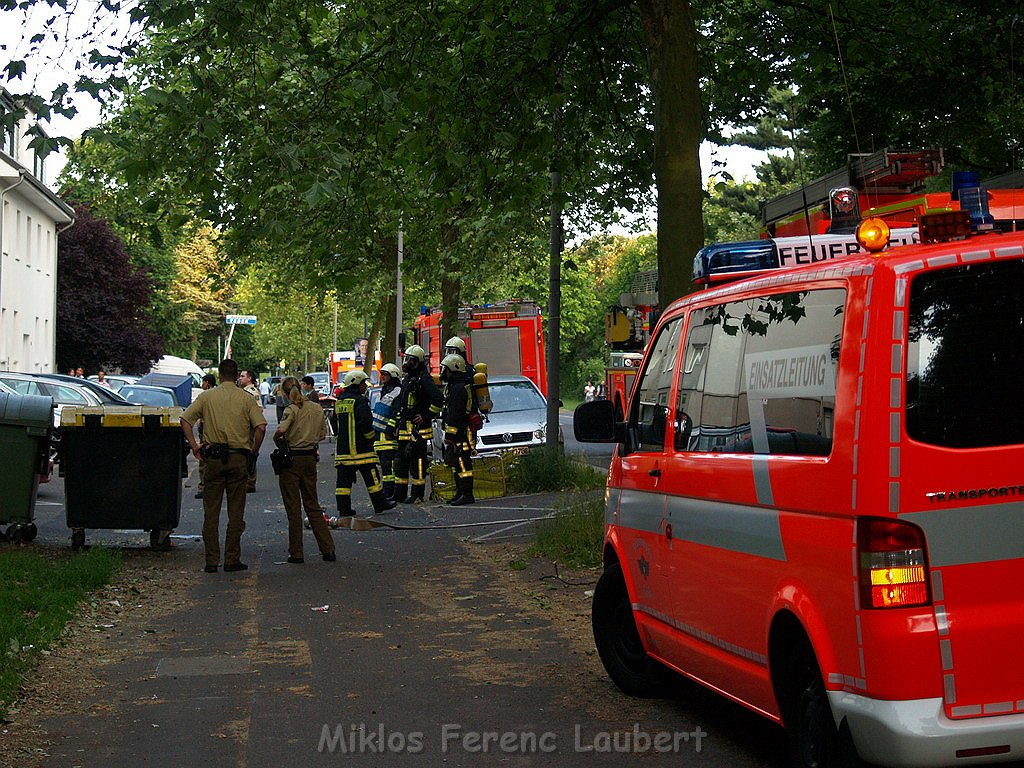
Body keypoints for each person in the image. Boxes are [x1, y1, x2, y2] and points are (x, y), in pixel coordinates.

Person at [180, 359, 267, 573]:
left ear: (219, 375)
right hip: (238, 458)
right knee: (236, 511)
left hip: (213, 459)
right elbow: (261, 428)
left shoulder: (207, 397)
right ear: (236, 376)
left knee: (211, 511)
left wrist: (194, 446)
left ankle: (211, 561)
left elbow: (185, 420)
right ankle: (231, 559)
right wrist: (253, 452)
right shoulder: (246, 399)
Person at [274, 383, 336, 563]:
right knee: (312, 505)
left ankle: (297, 553)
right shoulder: (316, 408)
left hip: (292, 460)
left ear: (285, 394)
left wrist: (278, 440)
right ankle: (328, 549)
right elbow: (322, 436)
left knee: (293, 508)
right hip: (309, 458)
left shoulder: (291, 409)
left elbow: (281, 430)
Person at [334, 369, 396, 516]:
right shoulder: (360, 401)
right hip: (362, 451)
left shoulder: (340, 402)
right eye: (363, 383)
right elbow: (366, 424)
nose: (365, 386)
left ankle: (344, 509)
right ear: (356, 384)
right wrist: (370, 438)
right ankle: (380, 504)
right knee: (373, 480)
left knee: (343, 484)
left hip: (343, 452)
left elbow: (336, 425)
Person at [393, 344, 443, 504]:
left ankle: (417, 494)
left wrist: (426, 415)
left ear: (418, 362)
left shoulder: (424, 378)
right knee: (400, 462)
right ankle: (399, 494)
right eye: (406, 359)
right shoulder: (408, 378)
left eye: (410, 360)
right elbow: (402, 402)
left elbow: (438, 399)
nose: (407, 362)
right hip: (404, 428)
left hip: (418, 431)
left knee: (418, 463)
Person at [439, 353, 476, 505]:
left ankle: (467, 494)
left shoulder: (459, 389)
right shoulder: (454, 386)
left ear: (453, 370)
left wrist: (450, 436)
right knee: (456, 463)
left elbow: (456, 414)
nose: (443, 373)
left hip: (461, 434)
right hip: (457, 433)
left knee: (463, 464)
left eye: (445, 370)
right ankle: (460, 492)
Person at [373, 363, 403, 502]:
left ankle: (390, 492)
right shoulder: (384, 390)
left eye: (385, 374)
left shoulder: (397, 391)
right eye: (382, 374)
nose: (382, 376)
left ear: (393, 376)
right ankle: (388, 492)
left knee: (389, 468)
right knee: (385, 468)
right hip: (380, 435)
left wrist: (391, 428)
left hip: (389, 436)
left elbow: (396, 412)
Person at [194, 373, 217, 499]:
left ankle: (204, 486)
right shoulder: (219, 395)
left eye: (203, 382)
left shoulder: (205, 396)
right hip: (216, 429)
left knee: (203, 457)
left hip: (206, 429)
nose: (202, 385)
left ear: (207, 383)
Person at [239, 370, 263, 493]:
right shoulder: (244, 391)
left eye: (242, 376)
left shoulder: (251, 392)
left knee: (249, 453)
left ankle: (250, 481)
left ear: (249, 378)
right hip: (244, 427)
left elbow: (259, 409)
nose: (240, 378)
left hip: (249, 427)